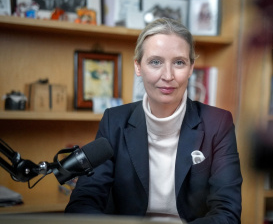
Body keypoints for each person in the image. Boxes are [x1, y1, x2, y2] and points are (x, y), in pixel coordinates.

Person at [65, 18, 243, 223]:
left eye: (179, 62)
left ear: (191, 68)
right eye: (155, 62)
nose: (168, 75)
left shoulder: (218, 123)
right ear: (138, 66)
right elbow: (83, 203)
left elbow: (227, 213)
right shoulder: (114, 122)